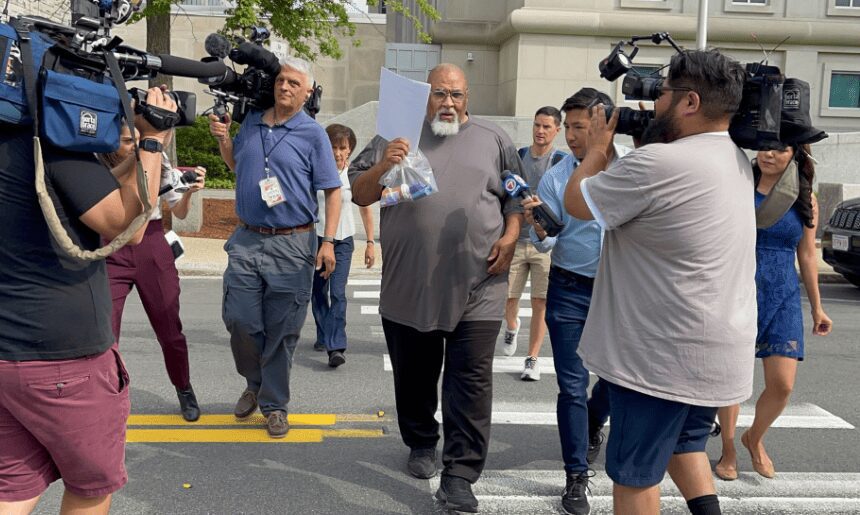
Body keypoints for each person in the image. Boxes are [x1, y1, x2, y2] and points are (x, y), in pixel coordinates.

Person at [563, 49, 754, 515]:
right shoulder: (735, 159)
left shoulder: (658, 166)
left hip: (660, 358)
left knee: (633, 477)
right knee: (684, 447)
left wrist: (596, 154)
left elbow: (577, 203)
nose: (652, 104)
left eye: (661, 93)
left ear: (689, 102)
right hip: (714, 352)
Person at [350, 63, 523, 514]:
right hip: (410, 286)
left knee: (470, 382)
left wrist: (510, 235)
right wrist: (386, 164)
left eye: (457, 94)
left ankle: (461, 475)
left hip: (480, 284)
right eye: (440, 94)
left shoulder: (495, 140)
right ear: (425, 95)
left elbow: (515, 196)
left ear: (469, 98)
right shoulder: (394, 135)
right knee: (416, 377)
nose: (449, 102)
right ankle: (421, 441)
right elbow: (359, 193)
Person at [0, 87, 176, 514]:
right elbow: (127, 225)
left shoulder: (15, 143)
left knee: (12, 490)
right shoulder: (54, 145)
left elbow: (85, 195)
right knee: (90, 487)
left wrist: (138, 158)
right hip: (63, 361)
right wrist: (152, 139)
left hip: (8, 354)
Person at [208, 55, 342, 439]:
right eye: (281, 80)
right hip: (248, 238)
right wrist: (222, 141)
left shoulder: (312, 133)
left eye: (294, 84)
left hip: (294, 242)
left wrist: (328, 242)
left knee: (283, 329)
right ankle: (255, 381)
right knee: (240, 319)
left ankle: (274, 404)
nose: (285, 87)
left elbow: (332, 192)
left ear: (308, 92)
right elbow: (238, 166)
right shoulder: (251, 122)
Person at [715, 80, 832, 481]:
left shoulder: (804, 197)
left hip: (782, 292)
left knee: (781, 385)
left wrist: (817, 305)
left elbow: (806, 254)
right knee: (733, 382)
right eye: (765, 145)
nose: (769, 152)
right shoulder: (738, 185)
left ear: (794, 153)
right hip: (739, 288)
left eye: (779, 147)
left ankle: (754, 438)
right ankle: (728, 448)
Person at [521, 88, 629, 515]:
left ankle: (592, 421)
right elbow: (543, 241)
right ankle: (575, 477)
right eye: (567, 127)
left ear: (603, 125)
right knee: (570, 385)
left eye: (579, 127)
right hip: (568, 289)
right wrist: (541, 230)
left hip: (620, 292)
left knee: (617, 380)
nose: (570, 136)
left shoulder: (631, 169)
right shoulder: (556, 174)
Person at [102, 126, 206, 422]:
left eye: (137, 138)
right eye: (126, 140)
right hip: (112, 245)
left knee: (169, 328)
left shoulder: (159, 162)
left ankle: (184, 388)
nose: (134, 145)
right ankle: (109, 396)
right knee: (106, 334)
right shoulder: (98, 165)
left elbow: (181, 212)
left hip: (151, 243)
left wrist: (190, 193)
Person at [500, 106, 565, 381]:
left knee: (540, 302)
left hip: (546, 243)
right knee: (507, 297)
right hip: (516, 238)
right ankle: (512, 325)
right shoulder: (520, 156)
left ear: (557, 130)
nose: (540, 131)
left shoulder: (562, 161)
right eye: (537, 125)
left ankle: (532, 358)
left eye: (547, 127)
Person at [311, 123, 376, 368]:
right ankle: (324, 334)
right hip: (318, 240)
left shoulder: (354, 176)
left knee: (338, 293)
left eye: (343, 148)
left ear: (350, 150)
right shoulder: (316, 173)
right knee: (318, 291)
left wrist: (370, 243)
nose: (338, 152)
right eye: (333, 147)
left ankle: (335, 346)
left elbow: (366, 211)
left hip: (344, 242)